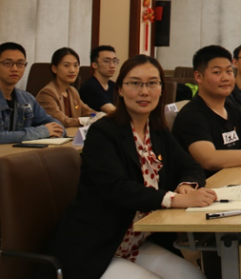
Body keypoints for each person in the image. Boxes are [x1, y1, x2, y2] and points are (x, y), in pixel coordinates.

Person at [47, 54, 215, 279]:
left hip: (138, 241)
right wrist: (174, 199)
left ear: (161, 90)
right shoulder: (103, 133)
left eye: (152, 83)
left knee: (194, 277)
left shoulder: (158, 131)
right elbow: (117, 188)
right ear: (120, 90)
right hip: (99, 247)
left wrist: (186, 185)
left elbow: (191, 166)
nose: (144, 91)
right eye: (135, 83)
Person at [172, 45, 241, 174]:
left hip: (233, 178)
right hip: (206, 184)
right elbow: (209, 159)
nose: (225, 78)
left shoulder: (231, 109)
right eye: (217, 72)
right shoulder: (192, 115)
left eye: (229, 71)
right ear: (198, 77)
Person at [0, 42, 64, 143]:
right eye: (7, 63)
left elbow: (54, 124)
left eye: (20, 64)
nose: (15, 69)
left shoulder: (26, 98)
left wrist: (56, 129)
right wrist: (42, 131)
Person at [37, 47, 94, 127]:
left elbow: (88, 112)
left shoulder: (73, 91)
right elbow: (63, 121)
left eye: (76, 65)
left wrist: (102, 116)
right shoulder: (47, 93)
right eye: (66, 65)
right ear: (54, 68)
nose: (72, 70)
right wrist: (88, 120)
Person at [79, 45, 119, 114]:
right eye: (106, 61)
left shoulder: (113, 85)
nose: (112, 65)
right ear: (95, 65)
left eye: (114, 61)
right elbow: (112, 111)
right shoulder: (90, 87)